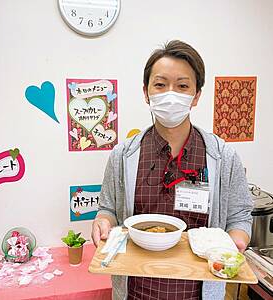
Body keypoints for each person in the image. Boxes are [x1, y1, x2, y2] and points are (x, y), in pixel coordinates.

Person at [91, 40, 253, 300]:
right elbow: (108, 208)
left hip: (198, 293)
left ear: (196, 95)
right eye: (160, 84)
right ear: (146, 92)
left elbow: (240, 216)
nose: (170, 93)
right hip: (135, 292)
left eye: (182, 86)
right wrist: (103, 222)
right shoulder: (123, 156)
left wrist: (234, 243)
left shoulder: (224, 156)